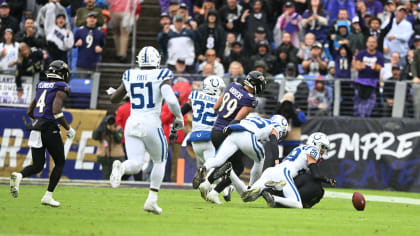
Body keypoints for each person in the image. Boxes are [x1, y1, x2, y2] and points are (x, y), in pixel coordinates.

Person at [108, 46, 184, 215]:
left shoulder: (130, 74)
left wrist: (112, 92)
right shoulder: (162, 74)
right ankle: (152, 200)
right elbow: (171, 100)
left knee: (135, 164)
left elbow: (114, 98)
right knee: (159, 161)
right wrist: (179, 118)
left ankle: (121, 167)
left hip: (132, 122)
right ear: (157, 60)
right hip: (151, 122)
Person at [193, 71, 266, 204]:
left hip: (215, 130)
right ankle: (214, 190)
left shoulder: (233, 86)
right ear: (255, 85)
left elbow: (216, 107)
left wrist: (224, 116)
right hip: (226, 133)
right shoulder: (250, 100)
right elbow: (235, 121)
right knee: (238, 167)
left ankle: (209, 181)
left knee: (227, 164)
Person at [10, 60, 76, 207]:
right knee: (59, 162)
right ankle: (48, 195)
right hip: (49, 128)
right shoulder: (62, 86)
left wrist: (40, 122)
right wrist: (68, 128)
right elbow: (56, 111)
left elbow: (30, 111)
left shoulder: (41, 85)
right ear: (62, 74)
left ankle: (19, 175)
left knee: (38, 165)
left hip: (36, 127)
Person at [194, 115, 289, 204]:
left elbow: (237, 121)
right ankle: (251, 188)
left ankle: (204, 168)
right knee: (260, 159)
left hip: (234, 132)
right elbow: (273, 141)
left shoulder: (259, 118)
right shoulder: (277, 127)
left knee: (218, 159)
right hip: (248, 135)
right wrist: (277, 161)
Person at [234, 132, 336, 209]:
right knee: (297, 204)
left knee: (247, 197)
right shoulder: (313, 150)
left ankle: (230, 173)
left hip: (271, 171)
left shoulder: (300, 148)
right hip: (284, 174)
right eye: (322, 146)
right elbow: (316, 175)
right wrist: (328, 180)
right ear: (315, 143)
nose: (323, 150)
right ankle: (273, 197)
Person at [180, 76, 226, 169]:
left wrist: (177, 117)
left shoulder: (195, 95)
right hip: (210, 138)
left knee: (208, 167)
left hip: (195, 139)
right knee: (215, 169)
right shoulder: (221, 101)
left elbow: (184, 108)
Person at [354, 36, 384, 118]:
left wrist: (375, 67)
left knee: (370, 105)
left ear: (376, 44)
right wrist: (361, 66)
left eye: (373, 42)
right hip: (360, 83)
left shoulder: (379, 55)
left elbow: (379, 68)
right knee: (358, 105)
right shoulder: (361, 53)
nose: (371, 44)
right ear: (367, 43)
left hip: (372, 84)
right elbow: (357, 66)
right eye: (370, 42)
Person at [92, 115, 125, 180]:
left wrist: (114, 131)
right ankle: (107, 188)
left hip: (117, 156)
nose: (110, 123)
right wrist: (100, 128)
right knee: (106, 176)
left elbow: (119, 139)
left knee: (116, 176)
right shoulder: (102, 129)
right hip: (104, 156)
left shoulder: (119, 129)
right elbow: (94, 137)